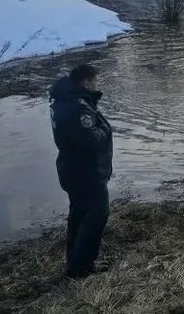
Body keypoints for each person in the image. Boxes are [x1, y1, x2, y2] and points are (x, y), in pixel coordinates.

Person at [49, 64, 113, 279]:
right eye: (95, 80)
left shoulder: (63, 101)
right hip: (86, 173)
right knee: (97, 215)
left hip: (72, 169)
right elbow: (89, 140)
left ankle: (76, 261)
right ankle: (82, 267)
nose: (97, 84)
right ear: (85, 83)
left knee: (78, 215)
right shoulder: (78, 107)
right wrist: (105, 130)